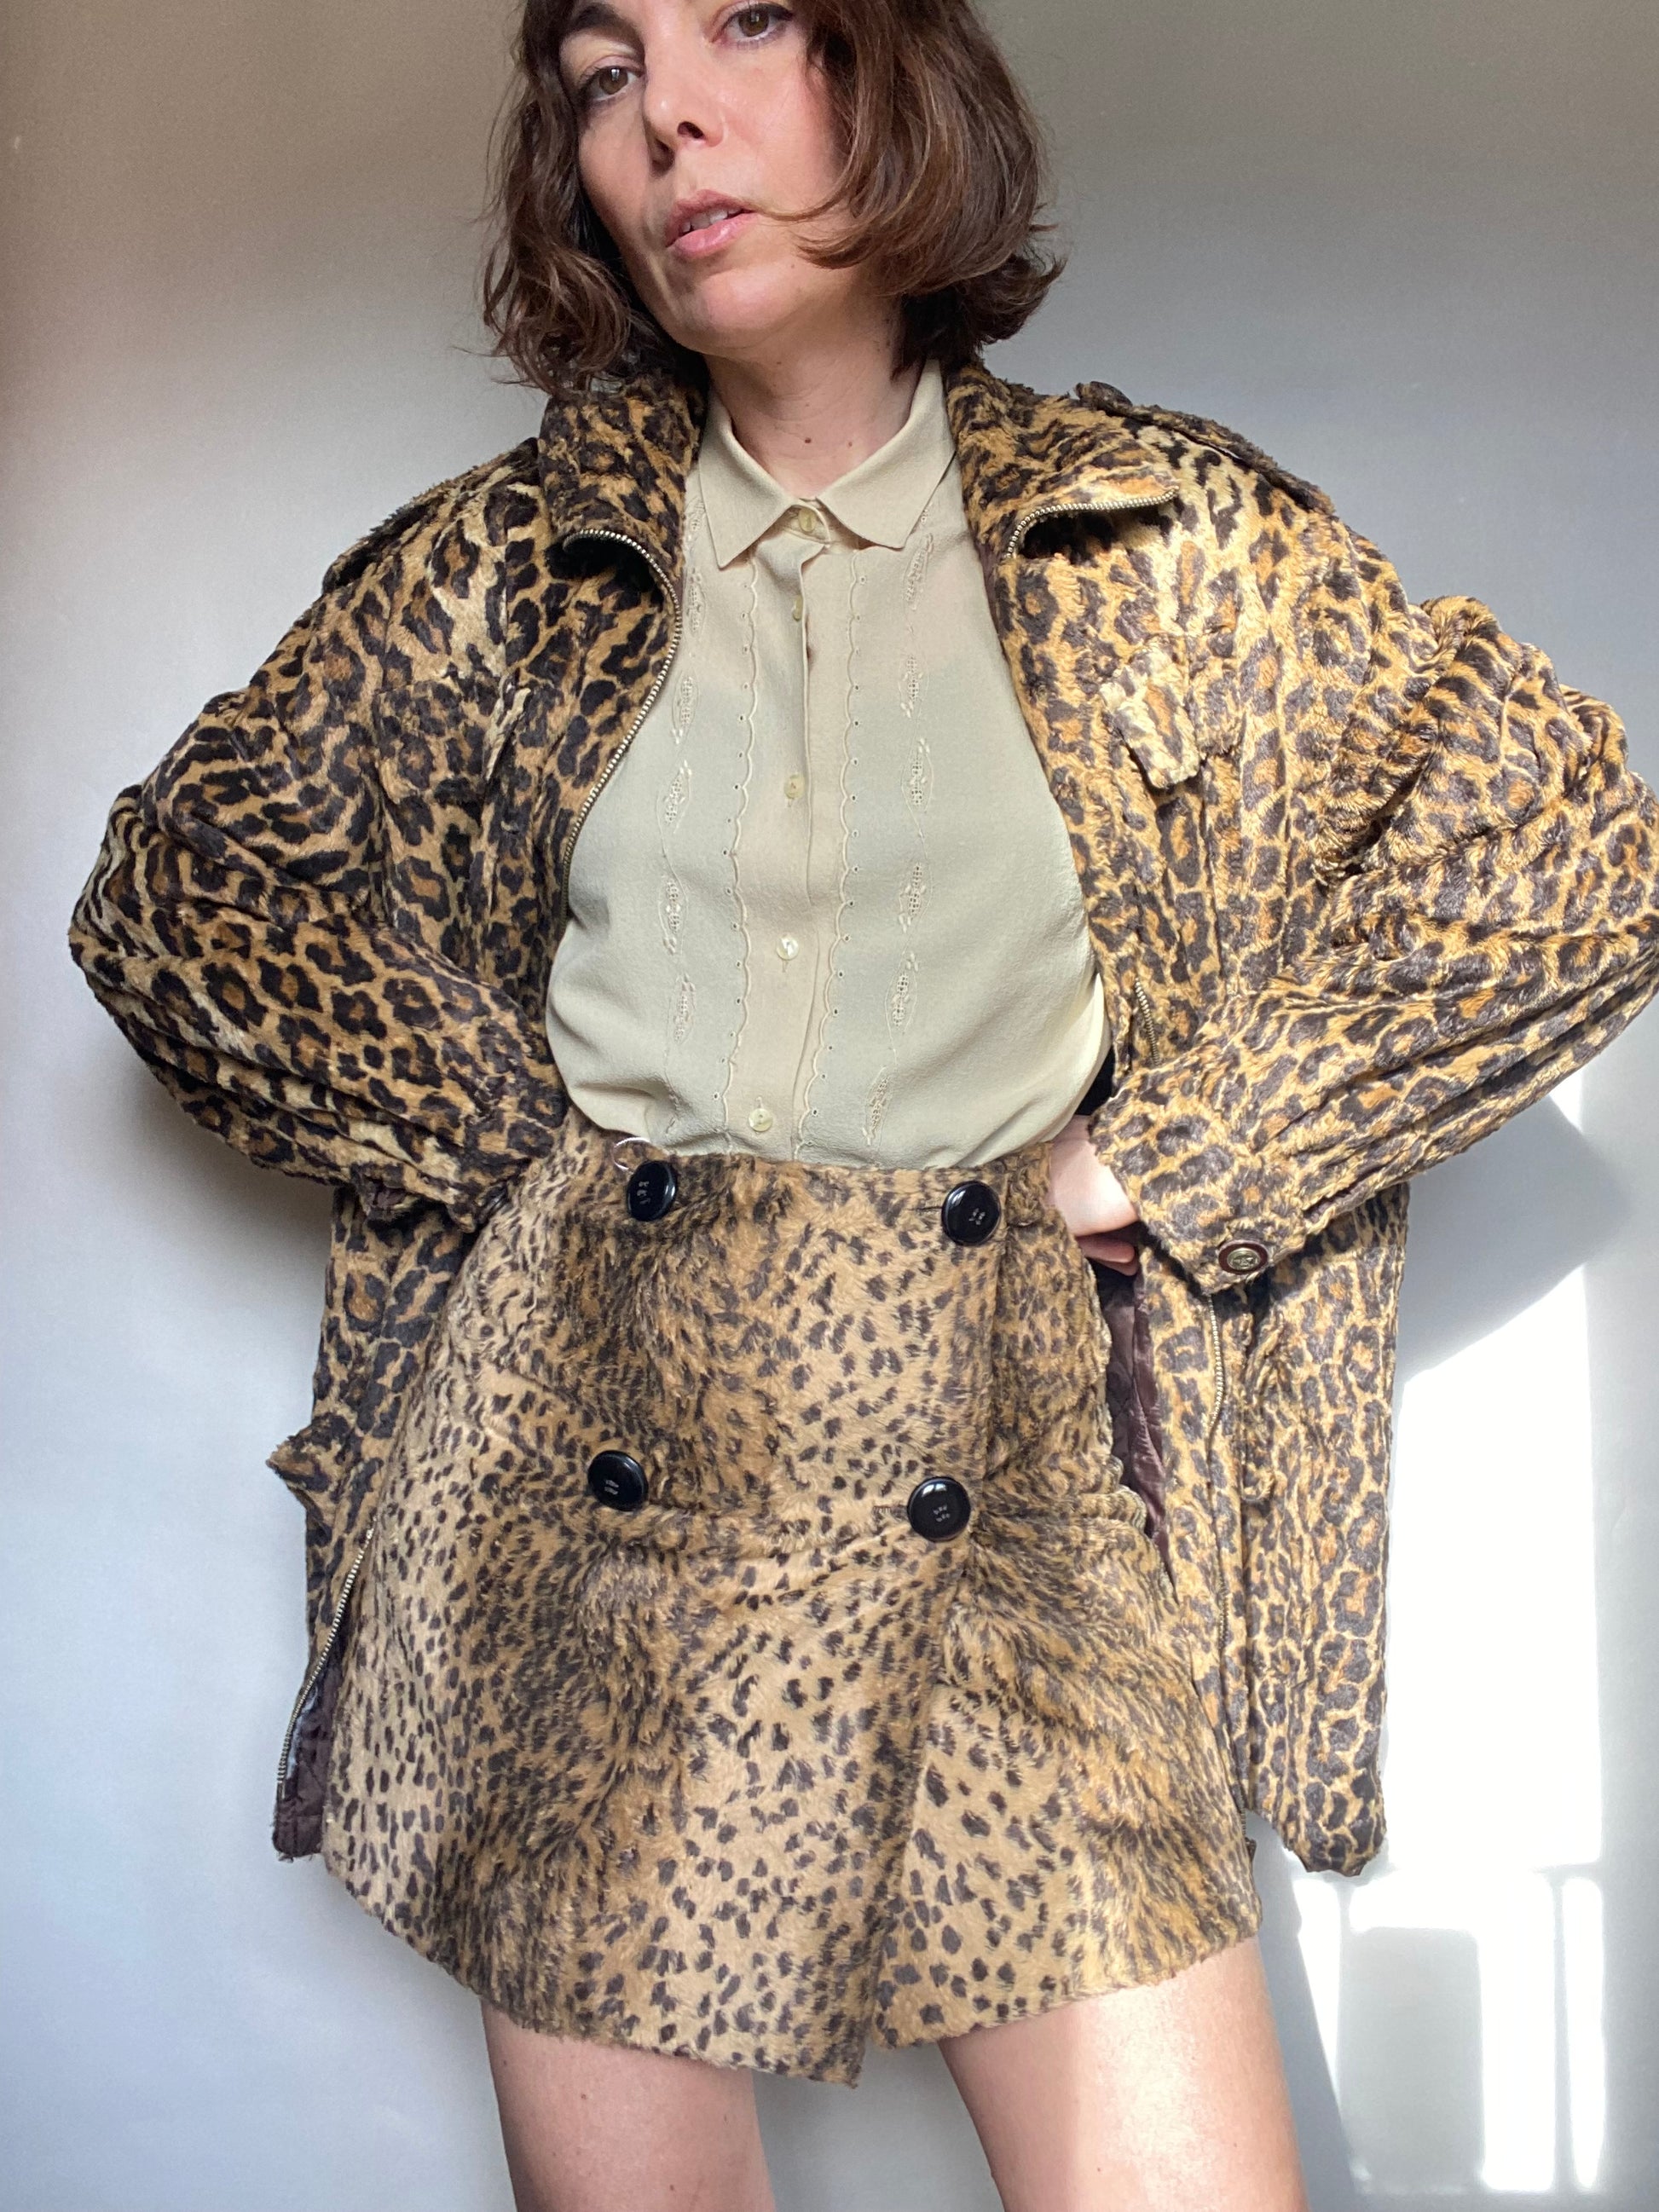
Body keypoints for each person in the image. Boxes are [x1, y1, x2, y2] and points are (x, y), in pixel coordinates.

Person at [66, 2, 1659, 2207]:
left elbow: (1572, 852)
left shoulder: (1151, 534)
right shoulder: (507, 563)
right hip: (592, 1506)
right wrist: (524, 1166)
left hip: (1011, 1487)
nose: (669, 114)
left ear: (893, 72)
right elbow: (180, 895)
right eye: (601, 70)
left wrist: (1179, 1156)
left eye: (748, 20)